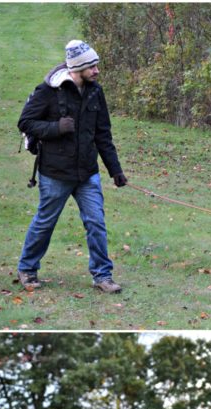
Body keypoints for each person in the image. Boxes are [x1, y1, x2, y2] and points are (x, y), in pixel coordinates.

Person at [17, 39, 128, 294]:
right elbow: (25, 122)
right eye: (92, 67)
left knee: (96, 223)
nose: (97, 71)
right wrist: (56, 128)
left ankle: (103, 275)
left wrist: (115, 170)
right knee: (45, 221)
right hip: (55, 173)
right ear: (77, 68)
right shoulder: (48, 91)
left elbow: (103, 134)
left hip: (87, 172)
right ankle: (27, 269)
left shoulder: (95, 91)